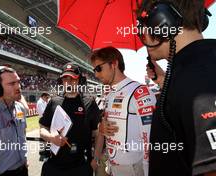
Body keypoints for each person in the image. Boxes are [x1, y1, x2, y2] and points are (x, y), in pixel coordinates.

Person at [136, 0, 216, 175]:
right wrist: (165, 81)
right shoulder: (197, 70)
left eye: (142, 30)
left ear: (162, 23)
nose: (142, 39)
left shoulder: (200, 80)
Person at [90, 46, 157, 176]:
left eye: (99, 68)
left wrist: (148, 169)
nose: (96, 74)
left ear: (114, 64)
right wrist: (102, 128)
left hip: (134, 168)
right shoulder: (109, 94)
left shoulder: (140, 92)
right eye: (94, 70)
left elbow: (150, 137)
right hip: (112, 165)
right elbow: (104, 128)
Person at [39, 62, 101, 176]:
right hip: (54, 165)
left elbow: (98, 134)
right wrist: (51, 137)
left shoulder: (89, 102)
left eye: (73, 79)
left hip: (81, 166)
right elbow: (42, 128)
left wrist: (95, 160)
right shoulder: (53, 102)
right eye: (65, 79)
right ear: (61, 81)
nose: (68, 82)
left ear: (79, 81)